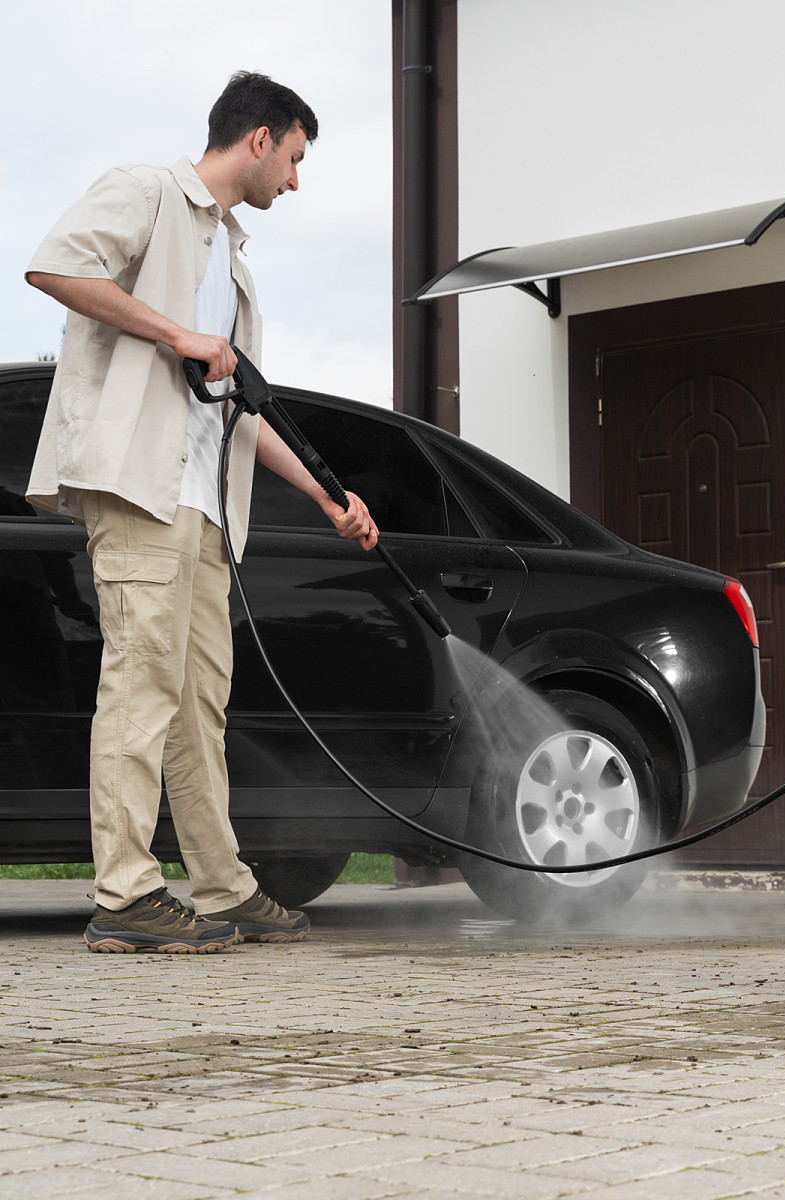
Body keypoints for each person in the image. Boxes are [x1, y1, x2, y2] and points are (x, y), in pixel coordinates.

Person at [23, 71, 379, 954]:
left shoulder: (235, 267)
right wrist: (177, 333)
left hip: (206, 510)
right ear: (259, 139)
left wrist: (329, 496)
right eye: (294, 158)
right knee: (139, 689)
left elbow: (239, 411)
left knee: (197, 709)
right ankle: (124, 893)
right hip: (141, 486)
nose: (295, 180)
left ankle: (224, 887)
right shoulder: (149, 193)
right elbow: (55, 263)